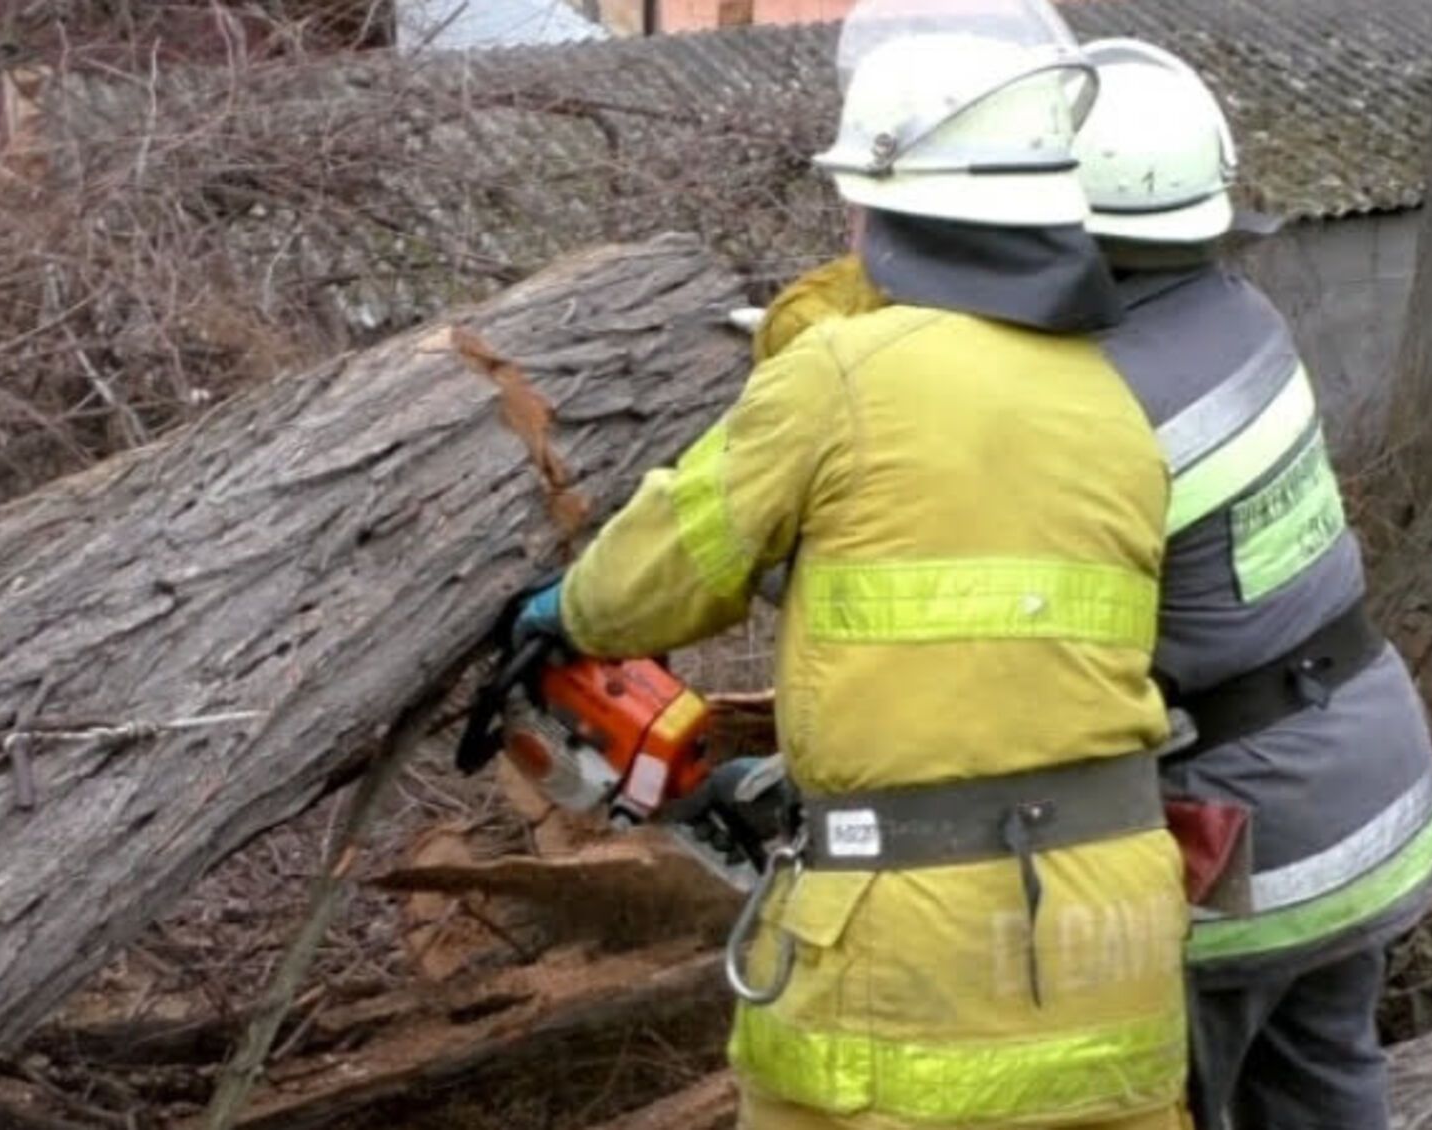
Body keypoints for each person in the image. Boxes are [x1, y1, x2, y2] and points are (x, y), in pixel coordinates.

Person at [509, 2, 1195, 1126]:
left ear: (879, 207)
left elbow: (649, 584)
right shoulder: (1113, 404)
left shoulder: (842, 372)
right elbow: (999, 672)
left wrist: (565, 608)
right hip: (1113, 927)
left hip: (913, 946)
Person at [1065, 40, 1432, 1130]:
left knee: (1162, 1100)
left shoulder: (1103, 403)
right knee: (1326, 1085)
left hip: (1248, 838)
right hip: (1364, 778)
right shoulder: (1239, 318)